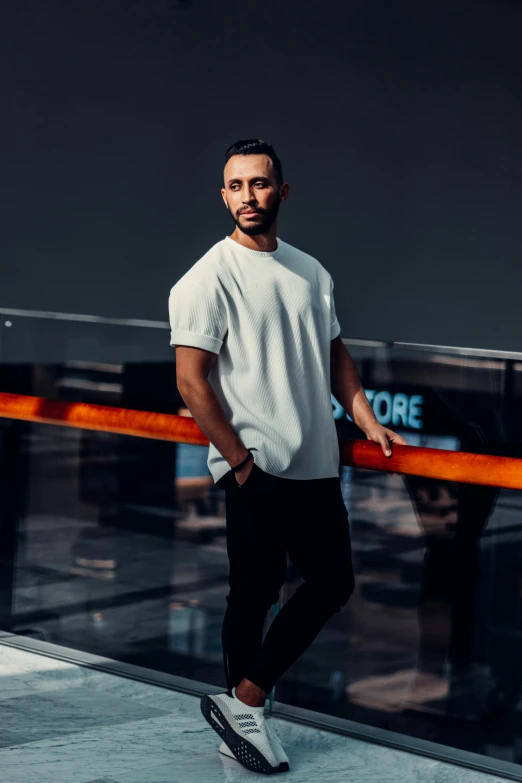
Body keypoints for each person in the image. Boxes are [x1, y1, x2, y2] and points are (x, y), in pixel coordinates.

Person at [168, 138, 407, 774]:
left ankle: (243, 703)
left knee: (333, 583)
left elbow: (335, 357)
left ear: (282, 191)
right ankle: (244, 725)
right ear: (224, 196)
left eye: (260, 184)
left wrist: (366, 418)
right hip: (259, 466)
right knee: (252, 596)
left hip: (317, 463)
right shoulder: (207, 276)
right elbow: (192, 380)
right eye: (236, 186)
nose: (249, 196)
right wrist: (240, 462)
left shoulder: (311, 271)